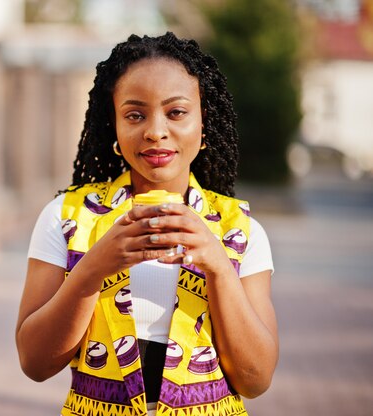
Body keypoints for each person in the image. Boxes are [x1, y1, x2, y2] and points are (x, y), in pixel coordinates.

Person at [16, 32, 278, 416]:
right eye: (135, 114)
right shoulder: (66, 217)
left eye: (176, 112)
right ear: (115, 128)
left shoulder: (240, 229)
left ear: (204, 124)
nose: (155, 131)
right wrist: (94, 267)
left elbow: (256, 380)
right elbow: (35, 364)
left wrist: (219, 267)